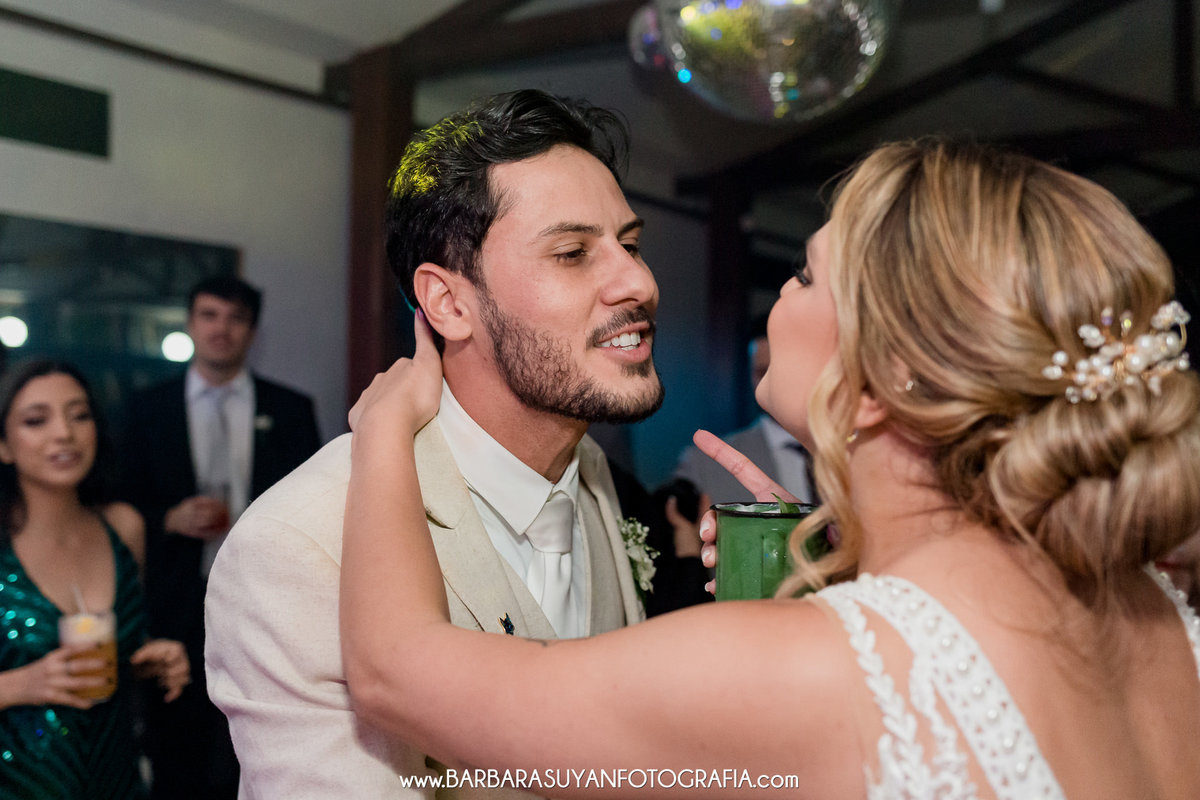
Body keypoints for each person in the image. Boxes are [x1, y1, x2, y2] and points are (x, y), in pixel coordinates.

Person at [339, 139, 1200, 798]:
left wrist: (383, 431)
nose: (780, 298)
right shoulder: (1156, 612)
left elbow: (393, 671)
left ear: (882, 379)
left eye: (806, 277)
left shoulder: (812, 670)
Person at [204, 89, 664, 797]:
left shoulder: (593, 473)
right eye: (573, 252)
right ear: (449, 303)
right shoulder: (299, 548)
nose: (638, 281)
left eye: (629, 246)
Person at [120, 275, 321, 799]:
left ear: (252, 331)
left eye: (235, 319)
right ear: (190, 324)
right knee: (175, 743)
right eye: (209, 315)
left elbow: (314, 503)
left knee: (254, 742)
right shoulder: (147, 408)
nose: (221, 329)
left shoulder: (291, 409)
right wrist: (169, 518)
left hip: (263, 598)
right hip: (174, 597)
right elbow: (116, 501)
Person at [0, 360, 190, 799]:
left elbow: (115, 655)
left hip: (117, 780)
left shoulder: (123, 527)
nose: (63, 433)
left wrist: (147, 659)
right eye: (36, 420)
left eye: (79, 415)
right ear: (4, 446)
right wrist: (17, 685)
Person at [671, 319, 815, 506]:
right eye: (762, 372)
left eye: (784, 369)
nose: (773, 382)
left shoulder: (851, 447)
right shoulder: (703, 464)